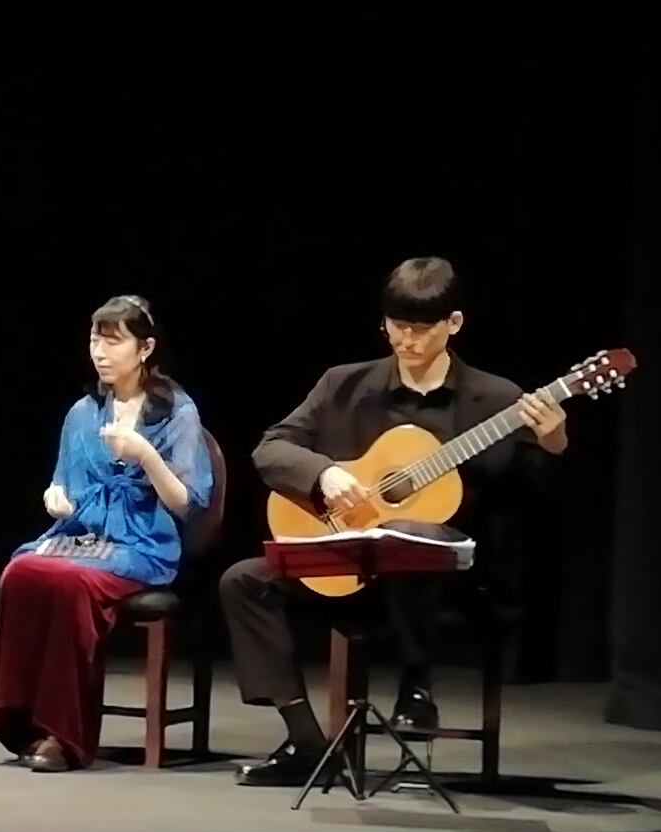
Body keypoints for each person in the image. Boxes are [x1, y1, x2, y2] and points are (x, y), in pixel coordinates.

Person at [218, 257, 564, 786]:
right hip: (349, 558)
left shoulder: (496, 400)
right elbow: (270, 450)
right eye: (396, 326)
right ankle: (307, 742)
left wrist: (554, 443)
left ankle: (417, 688)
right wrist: (325, 473)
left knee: (413, 538)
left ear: (454, 324)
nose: (406, 340)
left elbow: (537, 497)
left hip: (451, 580)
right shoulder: (343, 385)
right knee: (244, 580)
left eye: (421, 328)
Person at [0, 295, 214, 771]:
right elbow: (64, 485)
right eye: (94, 340)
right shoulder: (83, 413)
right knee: (20, 572)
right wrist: (56, 497)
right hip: (85, 538)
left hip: (142, 545)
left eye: (114, 341)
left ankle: (65, 736)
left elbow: (186, 503)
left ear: (145, 348)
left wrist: (147, 456)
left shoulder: (177, 413)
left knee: (69, 583)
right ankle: (20, 720)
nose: (100, 352)